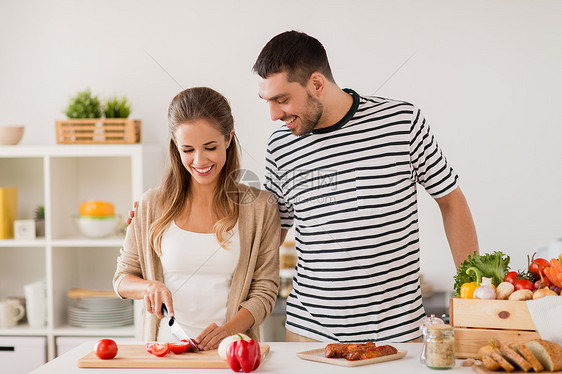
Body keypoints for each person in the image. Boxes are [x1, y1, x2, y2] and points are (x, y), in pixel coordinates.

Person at [252, 30, 478, 343]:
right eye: (268, 102)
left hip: (398, 337)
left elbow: (451, 201)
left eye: (282, 99)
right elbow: (273, 233)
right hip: (309, 337)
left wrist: (473, 291)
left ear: (317, 84)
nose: (274, 115)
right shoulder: (281, 145)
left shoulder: (402, 122)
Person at [113, 87, 280, 350]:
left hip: (232, 353)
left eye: (210, 147)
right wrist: (149, 288)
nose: (199, 160)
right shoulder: (150, 205)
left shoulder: (261, 208)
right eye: (188, 149)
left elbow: (265, 291)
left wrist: (227, 331)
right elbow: (122, 278)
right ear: (175, 147)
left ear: (228, 139)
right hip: (165, 355)